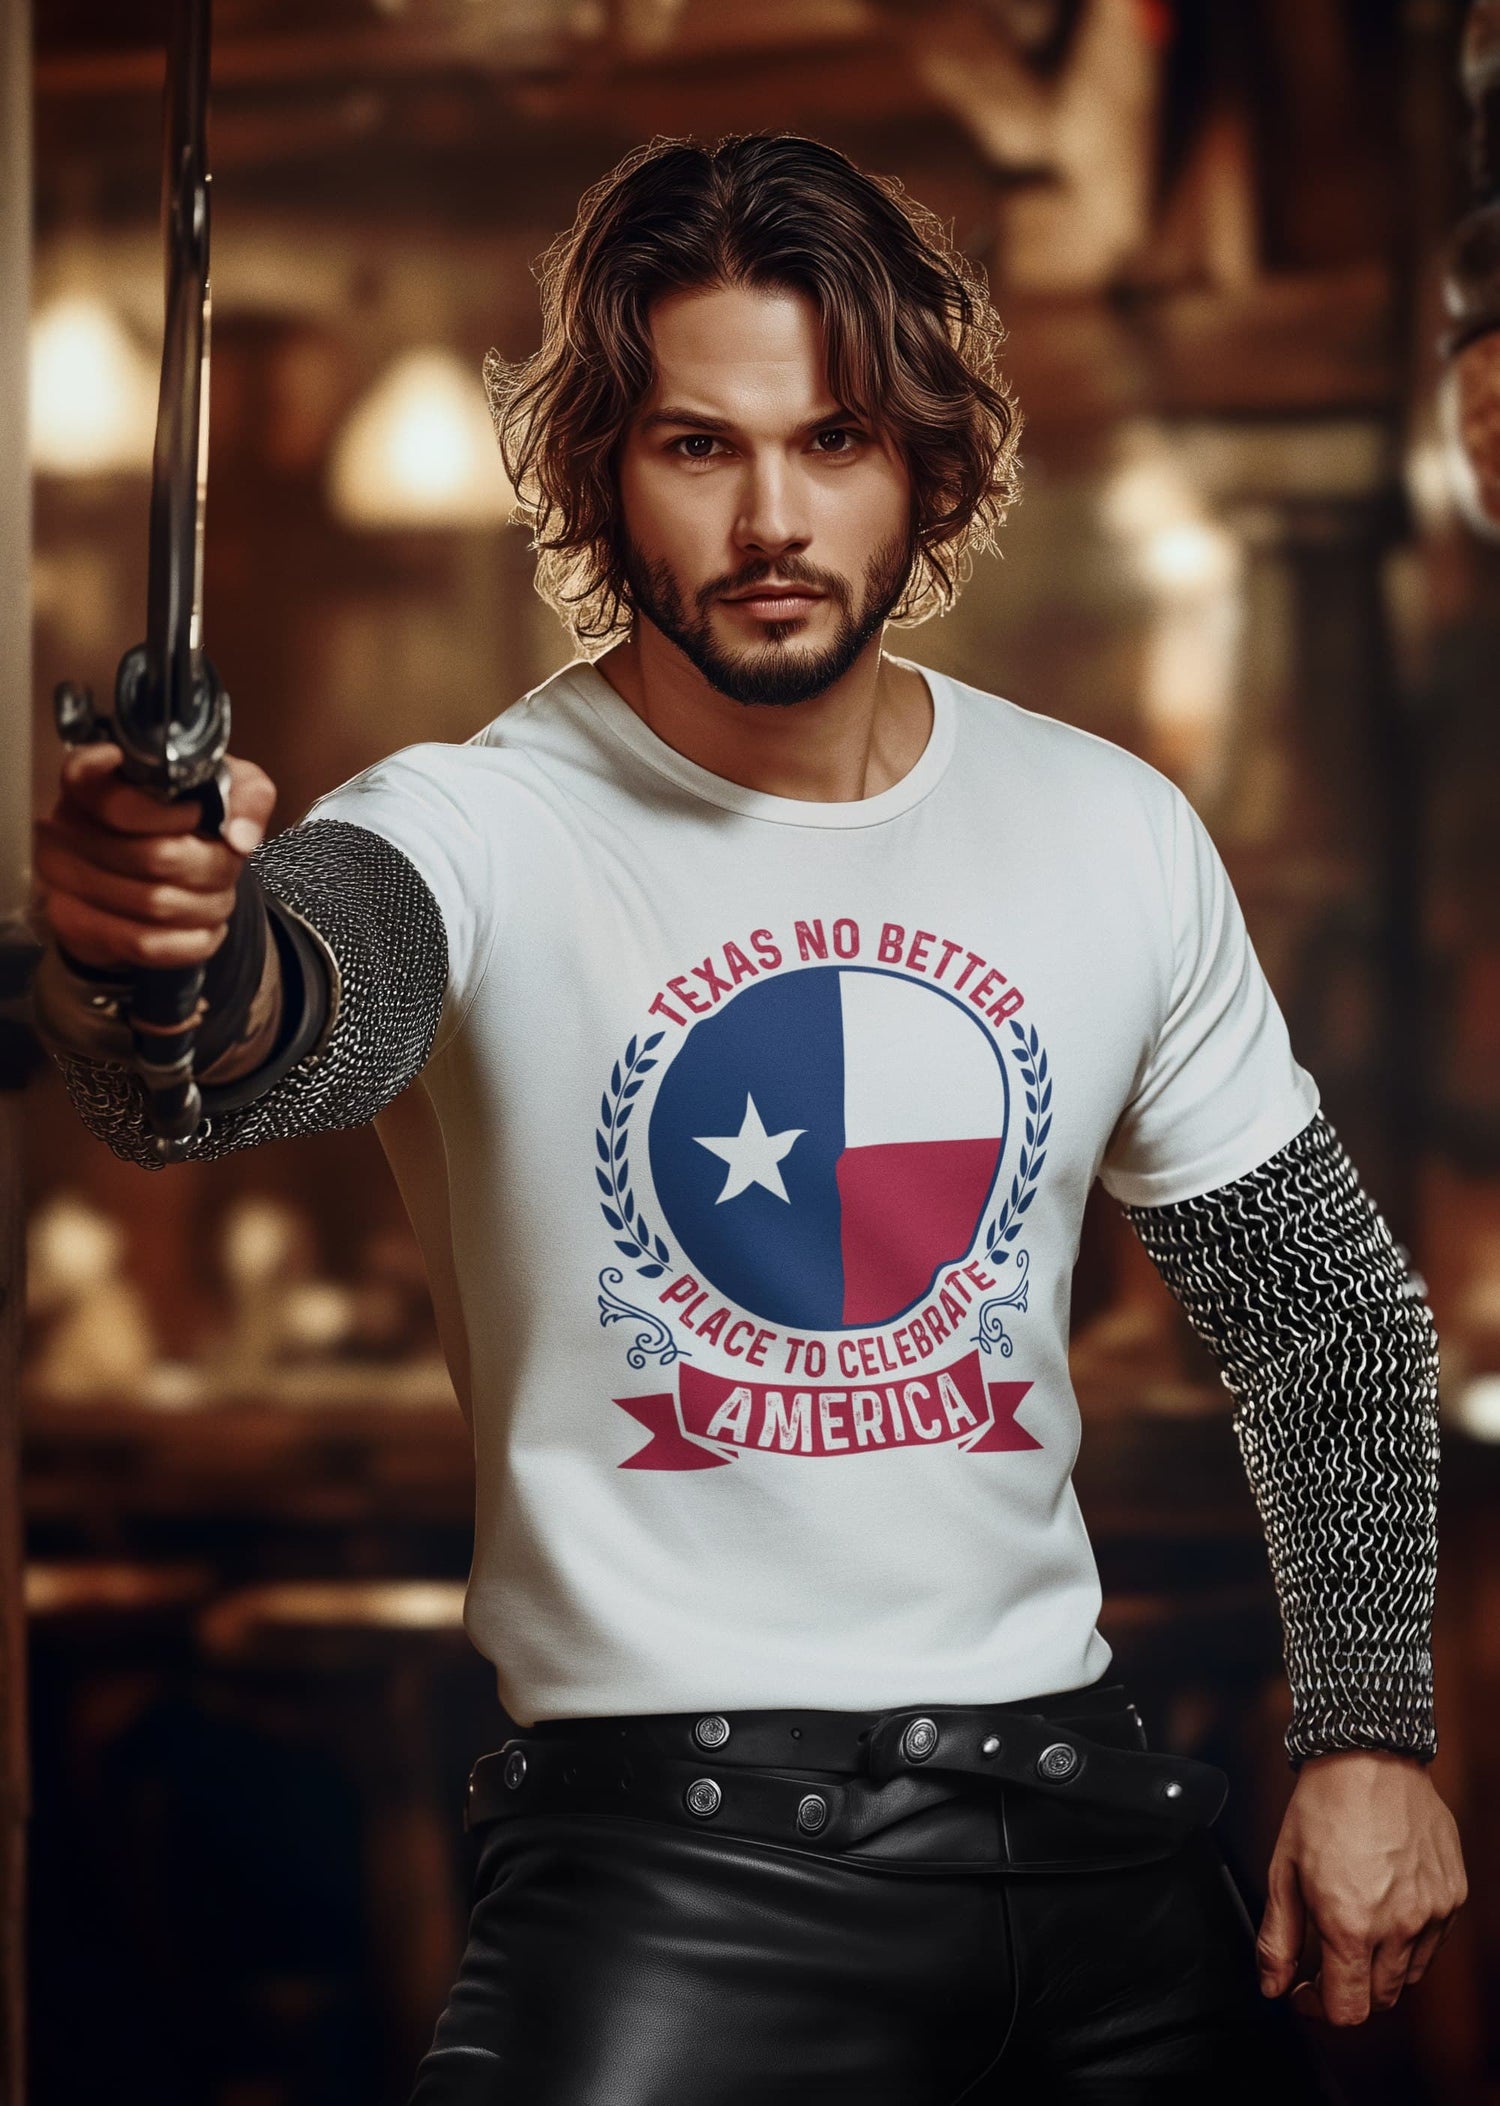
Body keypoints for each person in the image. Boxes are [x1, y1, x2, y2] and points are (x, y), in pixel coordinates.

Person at [32, 133, 1464, 2103]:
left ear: (928, 467)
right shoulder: (473, 826)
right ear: (609, 477)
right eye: (702, 446)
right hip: (672, 1869)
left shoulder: (1108, 826)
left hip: (1102, 1846)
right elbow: (272, 1021)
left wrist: (1371, 1733)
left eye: (840, 439)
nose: (776, 515)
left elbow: (1322, 1317)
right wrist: (155, 956)